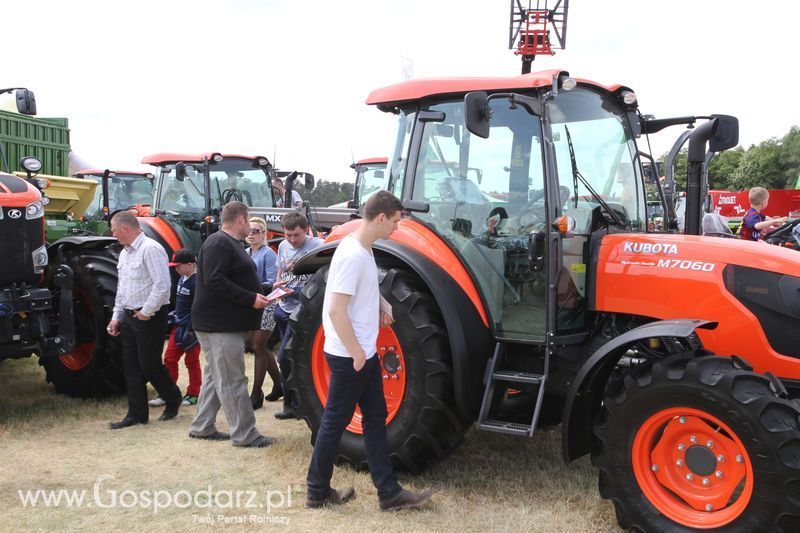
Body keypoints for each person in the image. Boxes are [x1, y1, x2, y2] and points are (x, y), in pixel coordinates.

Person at [305, 191, 432, 511]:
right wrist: (357, 353)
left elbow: (364, 286)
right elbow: (335, 310)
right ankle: (317, 491)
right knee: (335, 422)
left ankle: (388, 493)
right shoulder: (351, 254)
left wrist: (382, 303)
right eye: (395, 221)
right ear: (380, 218)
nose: (397, 228)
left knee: (374, 420)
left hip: (361, 353)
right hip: (352, 357)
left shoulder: (361, 247)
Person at [187, 201, 276, 447]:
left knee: (216, 377)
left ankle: (202, 426)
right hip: (218, 325)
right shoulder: (219, 243)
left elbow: (228, 279)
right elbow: (215, 280)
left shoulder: (226, 243)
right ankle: (245, 435)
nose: (249, 226)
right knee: (232, 380)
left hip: (220, 323)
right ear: (241, 220)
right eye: (248, 221)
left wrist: (265, 291)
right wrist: (250, 299)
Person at [107, 211, 182, 429]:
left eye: (114, 229)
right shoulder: (124, 253)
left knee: (149, 365)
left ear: (125, 229)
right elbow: (121, 289)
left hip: (150, 316)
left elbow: (162, 285)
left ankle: (173, 397)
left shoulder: (151, 249)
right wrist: (116, 317)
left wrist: (146, 311)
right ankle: (137, 414)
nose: (113, 234)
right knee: (131, 367)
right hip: (130, 316)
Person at [273, 212, 324, 419]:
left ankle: (294, 403)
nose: (292, 240)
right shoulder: (284, 247)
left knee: (285, 357)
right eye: (288, 236)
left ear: (306, 230)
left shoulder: (318, 245)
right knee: (288, 358)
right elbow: (280, 270)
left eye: (297, 236)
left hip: (303, 310)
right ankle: (291, 402)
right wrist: (278, 290)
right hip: (284, 307)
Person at [149, 249, 202, 407]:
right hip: (178, 327)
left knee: (191, 361)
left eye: (179, 265)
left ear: (191, 264)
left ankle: (194, 394)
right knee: (169, 358)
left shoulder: (197, 282)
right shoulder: (181, 280)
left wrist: (193, 327)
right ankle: (168, 393)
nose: (176, 268)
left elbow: (199, 307)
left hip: (191, 329)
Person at [245, 216, 283, 409]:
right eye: (249, 230)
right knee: (258, 346)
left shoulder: (268, 254)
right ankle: (279, 384)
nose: (252, 234)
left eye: (256, 231)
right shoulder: (245, 253)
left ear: (264, 234)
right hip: (251, 304)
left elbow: (271, 282)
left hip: (267, 304)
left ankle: (256, 393)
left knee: (259, 346)